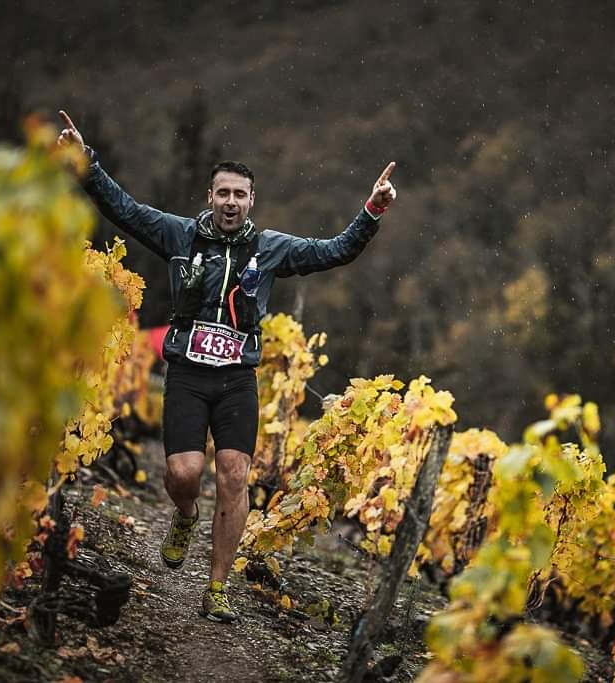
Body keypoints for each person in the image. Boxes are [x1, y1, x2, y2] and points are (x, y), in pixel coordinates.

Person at [57, 110, 396, 623]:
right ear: (210, 196)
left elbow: (334, 251)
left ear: (251, 200)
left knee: (235, 475)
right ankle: (186, 515)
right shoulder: (179, 236)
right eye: (223, 193)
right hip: (188, 375)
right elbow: (122, 210)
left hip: (238, 379)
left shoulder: (272, 248)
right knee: (183, 471)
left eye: (240, 194)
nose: (231, 202)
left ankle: (216, 588)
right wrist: (86, 164)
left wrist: (370, 210)